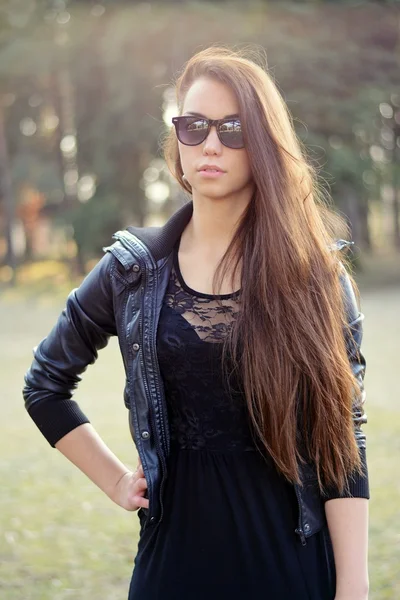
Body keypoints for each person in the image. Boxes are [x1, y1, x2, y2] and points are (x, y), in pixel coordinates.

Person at [23, 46, 370, 600]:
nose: (210, 143)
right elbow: (45, 386)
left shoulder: (316, 278)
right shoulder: (130, 270)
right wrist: (115, 479)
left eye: (233, 128)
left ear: (263, 144)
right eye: (194, 126)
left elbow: (342, 438)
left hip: (290, 564)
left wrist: (354, 586)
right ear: (177, 140)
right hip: (172, 566)